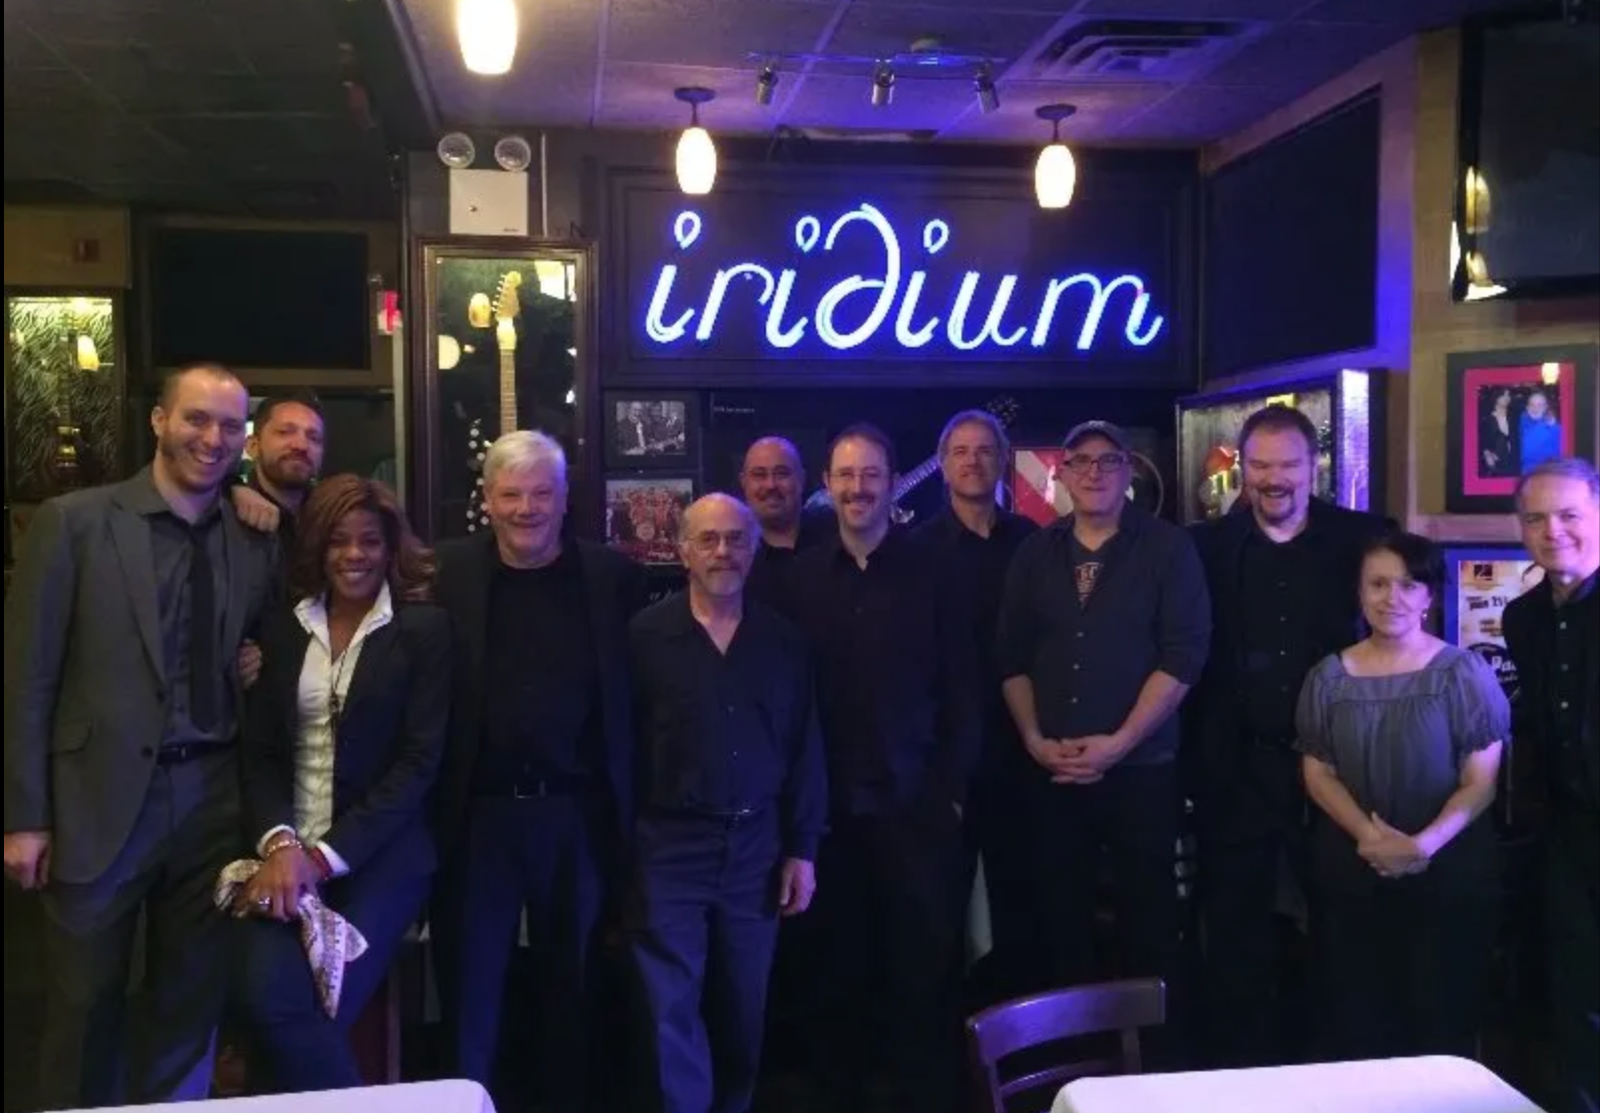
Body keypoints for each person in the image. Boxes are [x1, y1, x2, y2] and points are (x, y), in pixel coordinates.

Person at [2, 362, 279, 1107]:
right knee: (83, 1003)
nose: (212, 438)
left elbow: (259, 642)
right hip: (96, 797)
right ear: (158, 421)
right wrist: (24, 815)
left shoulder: (253, 536)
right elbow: (27, 675)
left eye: (230, 425)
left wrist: (252, 658)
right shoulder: (74, 522)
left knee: (190, 1003)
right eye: (196, 418)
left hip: (213, 802)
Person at [431, 430, 646, 1113]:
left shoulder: (611, 578)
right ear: (488, 499)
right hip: (479, 814)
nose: (527, 509)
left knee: (573, 991)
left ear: (564, 498)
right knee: (470, 992)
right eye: (512, 494)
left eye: (541, 493)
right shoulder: (445, 573)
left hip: (576, 813)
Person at [1185, 403, 1394, 1067]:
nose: (1273, 479)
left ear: (1314, 466)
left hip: (1338, 774)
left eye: (1288, 465)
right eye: (1260, 465)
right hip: (1233, 773)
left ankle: (1336, 1079)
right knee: (1235, 942)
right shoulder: (1201, 547)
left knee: (1342, 935)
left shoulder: (1365, 540)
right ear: (1243, 468)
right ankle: (1242, 1081)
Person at [783, 423, 980, 1113]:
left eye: (870, 474)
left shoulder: (937, 572)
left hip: (916, 812)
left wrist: (948, 794)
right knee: (835, 973)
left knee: (923, 974)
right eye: (845, 475)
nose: (858, 488)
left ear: (893, 483)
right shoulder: (799, 580)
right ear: (826, 485)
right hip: (828, 817)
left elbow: (964, 690)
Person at [229, 475, 449, 1091]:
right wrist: (281, 845)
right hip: (282, 853)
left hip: (382, 859)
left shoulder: (424, 631)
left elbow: (418, 763)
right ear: (318, 546)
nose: (354, 555)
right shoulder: (281, 628)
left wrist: (320, 860)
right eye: (338, 540)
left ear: (390, 547)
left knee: (305, 1012)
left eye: (370, 541)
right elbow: (261, 754)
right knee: (263, 992)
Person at [998, 420, 1209, 1054]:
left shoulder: (1169, 549)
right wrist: (1034, 739)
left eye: (1108, 461)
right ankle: (1076, 1066)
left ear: (1129, 472)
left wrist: (1119, 742)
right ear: (1061, 473)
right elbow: (1012, 657)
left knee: (1150, 924)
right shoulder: (1034, 552)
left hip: (1143, 771)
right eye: (1081, 461)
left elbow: (1183, 656)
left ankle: (1158, 1066)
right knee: (1061, 923)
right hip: (1053, 772)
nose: (1094, 472)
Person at [627, 493, 827, 1113]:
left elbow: (805, 746)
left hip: (756, 848)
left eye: (736, 539)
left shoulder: (784, 640)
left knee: (745, 1005)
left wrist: (802, 849)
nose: (723, 551)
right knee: (669, 1009)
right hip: (669, 847)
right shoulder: (644, 637)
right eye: (708, 539)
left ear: (754, 549)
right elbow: (622, 748)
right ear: (683, 551)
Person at [1297, 529, 1506, 1059]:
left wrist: (1419, 847)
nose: (1393, 597)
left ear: (1429, 595)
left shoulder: (1463, 673)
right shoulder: (1327, 677)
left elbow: (1481, 782)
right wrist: (1370, 839)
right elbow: (1318, 771)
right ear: (1359, 592)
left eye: (1409, 585)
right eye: (1379, 584)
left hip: (1447, 870)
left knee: (1441, 1021)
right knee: (1357, 1021)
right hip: (1352, 868)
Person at [909, 409, 1040, 1004]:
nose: (972, 461)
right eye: (960, 451)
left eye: (985, 450)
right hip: (947, 758)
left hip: (1025, 749)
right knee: (941, 913)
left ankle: (1023, 1033)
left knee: (1024, 904)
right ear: (942, 464)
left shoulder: (1034, 543)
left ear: (1003, 460)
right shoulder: (914, 551)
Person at [1502, 458, 1599, 1113]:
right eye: (1535, 518)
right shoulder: (1523, 617)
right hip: (1564, 831)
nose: (1552, 530)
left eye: (1568, 514)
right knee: (1576, 992)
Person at [739, 436, 829, 609]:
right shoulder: (733, 555)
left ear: (801, 479)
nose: (771, 485)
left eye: (782, 474)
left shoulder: (835, 536)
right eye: (759, 475)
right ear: (744, 482)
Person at [1520, 390, 1563, 473]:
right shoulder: (1520, 424)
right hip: (1525, 474)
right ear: (1527, 407)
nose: (1535, 408)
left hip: (1547, 473)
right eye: (1531, 404)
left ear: (1546, 407)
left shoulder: (1555, 428)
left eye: (1540, 405)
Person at [1480, 389, 1516, 479]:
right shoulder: (1487, 417)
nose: (1507, 398)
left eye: (1508, 395)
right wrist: (1487, 454)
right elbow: (1482, 439)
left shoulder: (1514, 414)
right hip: (1495, 459)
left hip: (1513, 458)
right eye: (1504, 395)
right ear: (1496, 397)